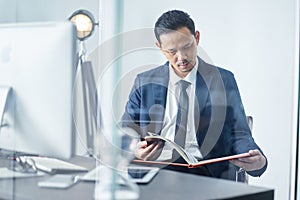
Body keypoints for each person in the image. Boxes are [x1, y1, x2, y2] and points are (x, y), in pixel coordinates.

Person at [121, 9, 267, 179]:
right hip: (156, 170)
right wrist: (135, 151)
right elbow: (126, 130)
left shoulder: (223, 80)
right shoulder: (144, 82)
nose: (181, 57)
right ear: (159, 48)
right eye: (171, 51)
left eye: (186, 47)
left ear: (196, 38)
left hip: (207, 172)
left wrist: (257, 161)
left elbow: (239, 132)